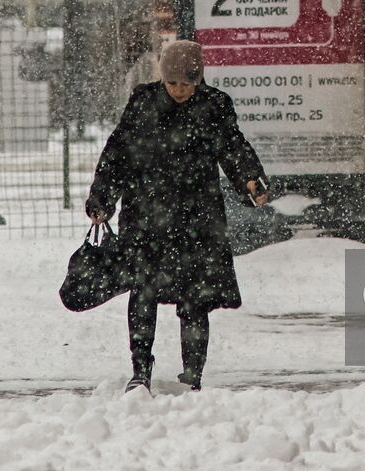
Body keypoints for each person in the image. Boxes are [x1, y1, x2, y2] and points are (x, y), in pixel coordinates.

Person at [86, 40, 269, 393]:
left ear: (199, 79)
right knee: (143, 293)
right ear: (163, 78)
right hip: (146, 215)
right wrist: (102, 199)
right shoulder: (143, 103)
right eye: (173, 83)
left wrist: (250, 180)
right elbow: (118, 153)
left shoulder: (214, 106)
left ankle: (193, 372)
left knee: (195, 297)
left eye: (187, 83)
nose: (180, 90)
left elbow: (233, 147)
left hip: (196, 218)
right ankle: (140, 369)